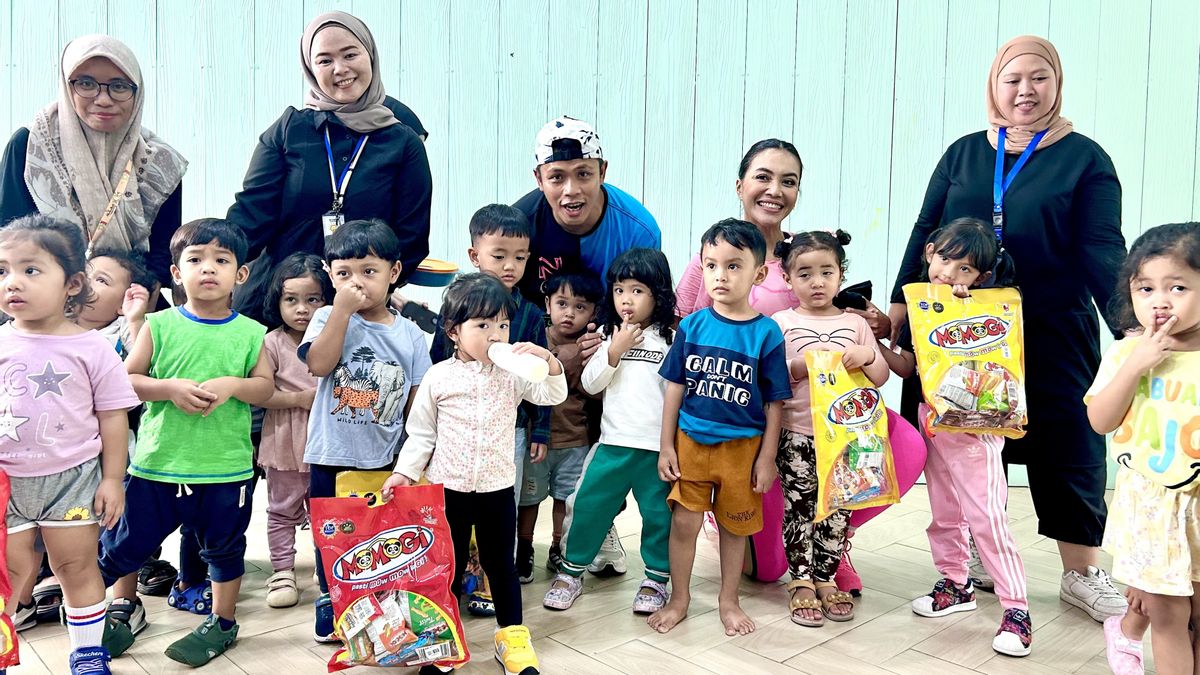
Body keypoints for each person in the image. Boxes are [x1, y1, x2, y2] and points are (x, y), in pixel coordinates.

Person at [888, 35, 1127, 620]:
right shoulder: (965, 153)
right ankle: (965, 562)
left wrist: (1132, 326)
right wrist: (900, 304)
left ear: (1057, 83)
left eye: (1038, 77)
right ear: (994, 84)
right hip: (953, 331)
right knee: (955, 443)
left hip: (1050, 329)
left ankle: (1082, 572)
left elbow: (1102, 248)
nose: (1025, 90)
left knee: (1069, 442)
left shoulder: (1085, 158)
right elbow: (926, 229)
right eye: (1012, 78)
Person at [673, 139, 920, 596]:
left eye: (788, 181)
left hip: (829, 413)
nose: (774, 190)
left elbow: (857, 328)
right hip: (754, 416)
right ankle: (725, 516)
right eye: (763, 177)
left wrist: (879, 330)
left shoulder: (808, 255)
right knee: (767, 572)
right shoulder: (717, 257)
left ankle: (835, 537)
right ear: (740, 185)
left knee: (904, 444)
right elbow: (684, 330)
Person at [98, 218, 273, 667]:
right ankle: (122, 609)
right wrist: (170, 388)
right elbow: (128, 381)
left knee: (224, 549)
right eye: (195, 259)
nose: (208, 269)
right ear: (177, 273)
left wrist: (234, 384)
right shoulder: (159, 324)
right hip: (157, 464)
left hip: (226, 468)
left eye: (221, 260)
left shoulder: (252, 333)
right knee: (127, 544)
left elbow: (265, 389)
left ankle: (223, 622)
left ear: (241, 274)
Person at [385, 273, 568, 675]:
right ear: (453, 331)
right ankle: (441, 640)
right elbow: (421, 434)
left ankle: (512, 637)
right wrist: (404, 473)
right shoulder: (439, 377)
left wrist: (548, 360)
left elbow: (553, 394)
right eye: (482, 326)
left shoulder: (513, 374)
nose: (495, 334)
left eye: (502, 324)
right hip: (447, 489)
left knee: (500, 562)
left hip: (497, 488)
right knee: (445, 566)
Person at [880, 219, 1032, 657]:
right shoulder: (921, 306)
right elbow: (908, 367)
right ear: (929, 253)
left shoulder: (992, 305)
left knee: (986, 518)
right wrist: (880, 345)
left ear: (982, 277)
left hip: (977, 431)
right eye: (944, 259)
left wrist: (974, 306)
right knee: (945, 514)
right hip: (934, 421)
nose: (948, 273)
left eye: (964, 269)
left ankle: (1016, 608)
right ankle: (955, 584)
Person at [0, 216, 141, 674]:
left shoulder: (94, 348)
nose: (13, 283)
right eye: (2, 271)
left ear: (72, 283)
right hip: (7, 483)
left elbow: (113, 418)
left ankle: (86, 651)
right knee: (11, 575)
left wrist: (114, 480)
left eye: (30, 270)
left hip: (74, 480)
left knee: (76, 568)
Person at [228, 10, 432, 324]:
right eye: (325, 60)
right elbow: (250, 218)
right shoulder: (288, 130)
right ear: (310, 68)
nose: (340, 69)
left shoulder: (403, 144)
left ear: (371, 55)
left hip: (359, 313)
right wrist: (214, 261)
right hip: (276, 302)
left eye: (350, 54)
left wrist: (368, 293)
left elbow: (410, 238)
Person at [650, 219, 791, 636]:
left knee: (734, 527)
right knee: (684, 523)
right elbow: (674, 389)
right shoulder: (692, 326)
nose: (720, 276)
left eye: (733, 266)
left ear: (758, 274)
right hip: (690, 444)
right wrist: (666, 446)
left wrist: (767, 459)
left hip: (742, 452)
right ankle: (679, 599)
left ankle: (728, 602)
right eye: (711, 265)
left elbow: (774, 403)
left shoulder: (766, 334)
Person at [299, 219, 431, 642]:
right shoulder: (326, 316)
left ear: (394, 273)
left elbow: (417, 401)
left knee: (381, 529)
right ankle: (330, 597)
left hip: (386, 455)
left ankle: (378, 595)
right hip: (332, 452)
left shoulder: (411, 334)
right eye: (343, 274)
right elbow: (318, 365)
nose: (356, 283)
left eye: (368, 272)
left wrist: (417, 454)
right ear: (329, 274)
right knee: (331, 531)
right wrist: (340, 310)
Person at [1086, 222, 1200, 675]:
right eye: (1145, 288)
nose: (1160, 301)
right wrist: (1134, 366)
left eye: (1178, 286)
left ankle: (1129, 628)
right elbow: (1100, 420)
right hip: (1152, 506)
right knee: (1170, 614)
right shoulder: (1125, 352)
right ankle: (1132, 630)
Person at [542, 249, 676, 616]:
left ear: (658, 293)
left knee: (659, 515)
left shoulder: (672, 339)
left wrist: (672, 447)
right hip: (612, 444)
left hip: (654, 449)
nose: (626, 300)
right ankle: (571, 573)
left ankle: (655, 579)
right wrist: (613, 352)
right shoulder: (606, 334)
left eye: (637, 290)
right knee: (587, 506)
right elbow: (589, 382)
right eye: (619, 290)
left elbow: (675, 396)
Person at [0, 35, 186, 294]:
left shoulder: (160, 162)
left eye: (119, 86)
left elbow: (162, 252)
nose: (103, 99)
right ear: (67, 87)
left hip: (129, 301)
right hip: (41, 299)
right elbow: (10, 234)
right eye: (86, 84)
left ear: (137, 92)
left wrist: (131, 304)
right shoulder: (31, 146)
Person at [770, 230, 887, 627]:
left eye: (826, 272)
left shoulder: (854, 323)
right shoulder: (780, 323)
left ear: (841, 274)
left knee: (838, 510)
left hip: (850, 437)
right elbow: (767, 380)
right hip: (798, 433)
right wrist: (796, 369)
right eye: (804, 274)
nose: (816, 282)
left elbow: (882, 375)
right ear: (787, 280)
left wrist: (868, 354)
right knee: (799, 507)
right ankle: (800, 579)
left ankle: (825, 576)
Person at [516, 272, 602, 582]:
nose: (569, 313)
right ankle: (523, 547)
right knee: (529, 499)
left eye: (580, 308)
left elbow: (596, 392)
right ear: (548, 303)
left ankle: (558, 546)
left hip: (575, 439)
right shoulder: (535, 337)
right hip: (536, 440)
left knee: (565, 500)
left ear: (593, 313)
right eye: (562, 304)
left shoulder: (591, 347)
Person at [257, 253, 332, 608]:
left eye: (312, 299)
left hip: (328, 444)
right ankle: (283, 571)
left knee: (325, 510)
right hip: (284, 440)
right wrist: (300, 398)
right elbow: (261, 393)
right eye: (292, 300)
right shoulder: (271, 342)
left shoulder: (334, 338)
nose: (302, 309)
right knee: (282, 509)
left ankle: (326, 563)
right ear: (278, 301)